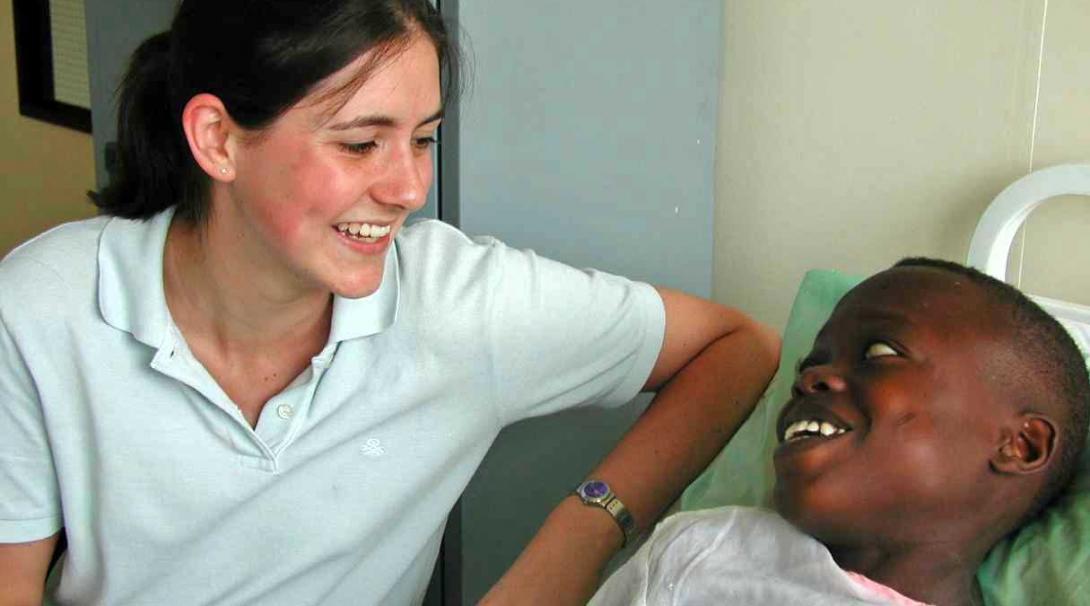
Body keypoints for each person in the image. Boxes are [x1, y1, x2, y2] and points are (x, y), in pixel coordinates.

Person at [0, 1, 780, 604]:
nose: (409, 188)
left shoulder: (460, 306)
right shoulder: (44, 308)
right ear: (219, 139)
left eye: (424, 138)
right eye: (359, 143)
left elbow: (736, 347)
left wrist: (577, 539)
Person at [591, 258, 1090, 606]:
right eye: (808, 367)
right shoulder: (703, 548)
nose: (810, 379)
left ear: (1019, 445)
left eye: (879, 355)